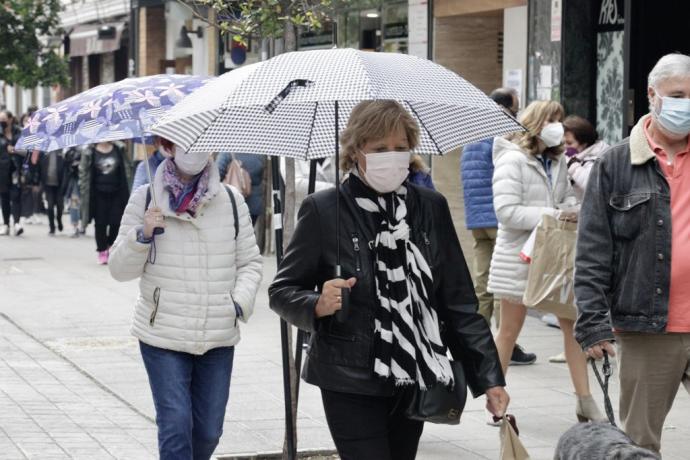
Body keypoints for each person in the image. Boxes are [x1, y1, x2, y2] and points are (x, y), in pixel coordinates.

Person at [269, 100, 509, 459]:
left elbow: (458, 301)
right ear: (355, 151)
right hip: (347, 376)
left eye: (400, 148)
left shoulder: (430, 207)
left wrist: (489, 377)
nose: (392, 157)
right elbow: (281, 290)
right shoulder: (324, 209)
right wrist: (317, 303)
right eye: (380, 148)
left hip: (413, 373)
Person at [108, 142, 263, 460]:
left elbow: (250, 262)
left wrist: (236, 304)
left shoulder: (231, 201)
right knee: (176, 428)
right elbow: (118, 269)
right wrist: (142, 235)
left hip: (216, 334)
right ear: (168, 147)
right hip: (163, 333)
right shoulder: (146, 198)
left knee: (208, 432)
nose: (195, 150)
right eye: (187, 142)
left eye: (204, 142)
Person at [575, 53, 690, 453]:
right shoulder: (616, 163)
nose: (686, 104)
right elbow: (592, 249)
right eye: (678, 95)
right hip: (646, 327)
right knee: (639, 444)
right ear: (652, 95)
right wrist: (592, 323)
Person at [488, 100, 605, 423]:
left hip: (555, 257)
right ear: (536, 123)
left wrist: (571, 209)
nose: (559, 126)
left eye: (561, 120)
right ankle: (495, 398)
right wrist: (553, 214)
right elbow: (507, 212)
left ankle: (585, 400)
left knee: (573, 326)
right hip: (519, 258)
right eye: (552, 120)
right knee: (509, 331)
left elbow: (567, 197)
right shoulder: (512, 161)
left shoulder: (557, 162)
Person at [461, 88, 537, 366]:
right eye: (515, 109)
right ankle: (506, 342)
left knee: (483, 284)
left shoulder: (473, 131)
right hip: (497, 216)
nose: (517, 115)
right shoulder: (502, 132)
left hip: (476, 218)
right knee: (505, 286)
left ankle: (476, 344)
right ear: (504, 107)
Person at [80, 141, 132, 264]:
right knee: (100, 224)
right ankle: (102, 250)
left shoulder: (119, 149)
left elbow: (127, 168)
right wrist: (83, 190)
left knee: (116, 222)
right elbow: (83, 173)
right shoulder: (89, 152)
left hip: (117, 193)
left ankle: (111, 246)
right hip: (97, 194)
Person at [563, 115, 610, 201]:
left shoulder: (599, 157)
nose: (564, 147)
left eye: (569, 143)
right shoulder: (573, 154)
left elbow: (591, 185)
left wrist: (571, 164)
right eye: (562, 142)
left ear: (584, 144)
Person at [217, 152, 266, 225]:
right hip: (253, 205)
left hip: (231, 204)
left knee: (230, 234)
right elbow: (259, 177)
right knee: (248, 234)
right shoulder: (259, 153)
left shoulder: (228, 151)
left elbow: (218, 174)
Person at [0, 110, 24, 236]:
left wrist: (14, 150)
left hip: (16, 170)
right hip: (2, 171)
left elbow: (26, 150)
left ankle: (17, 223)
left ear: (10, 119)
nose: (1, 122)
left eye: (3, 119)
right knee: (4, 198)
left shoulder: (19, 132)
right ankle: (6, 224)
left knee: (16, 196)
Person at [40, 149, 66, 235]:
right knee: (50, 206)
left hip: (59, 185)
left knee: (60, 206)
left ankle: (59, 219)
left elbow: (65, 172)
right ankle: (52, 227)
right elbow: (40, 169)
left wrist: (64, 186)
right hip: (48, 185)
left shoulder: (61, 155)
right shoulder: (44, 154)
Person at [63, 147, 82, 237]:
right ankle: (75, 226)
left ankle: (79, 225)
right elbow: (67, 167)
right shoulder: (69, 151)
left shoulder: (87, 149)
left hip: (85, 180)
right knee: (74, 202)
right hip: (74, 180)